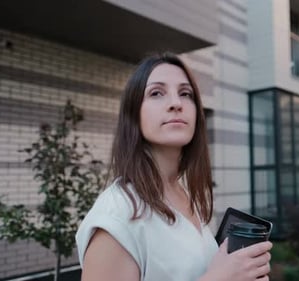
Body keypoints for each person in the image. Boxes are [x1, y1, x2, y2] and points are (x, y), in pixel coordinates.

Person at [75, 52, 272, 281]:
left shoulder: (185, 195)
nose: (176, 103)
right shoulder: (117, 215)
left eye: (185, 93)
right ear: (134, 114)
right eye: (156, 93)